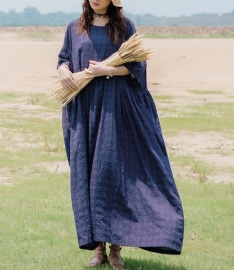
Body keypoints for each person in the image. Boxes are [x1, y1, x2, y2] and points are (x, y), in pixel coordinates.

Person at [57, 0, 184, 268]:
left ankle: (116, 249)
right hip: (84, 109)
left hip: (115, 109)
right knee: (88, 173)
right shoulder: (74, 28)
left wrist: (108, 70)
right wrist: (64, 72)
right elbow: (63, 59)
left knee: (112, 173)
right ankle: (99, 250)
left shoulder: (125, 27)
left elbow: (137, 67)